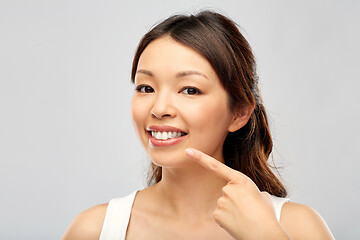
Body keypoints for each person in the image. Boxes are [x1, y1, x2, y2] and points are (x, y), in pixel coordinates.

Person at [62, 10, 334, 240]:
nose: (159, 109)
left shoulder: (297, 227)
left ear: (239, 112)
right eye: (145, 87)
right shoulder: (94, 230)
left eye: (189, 90)